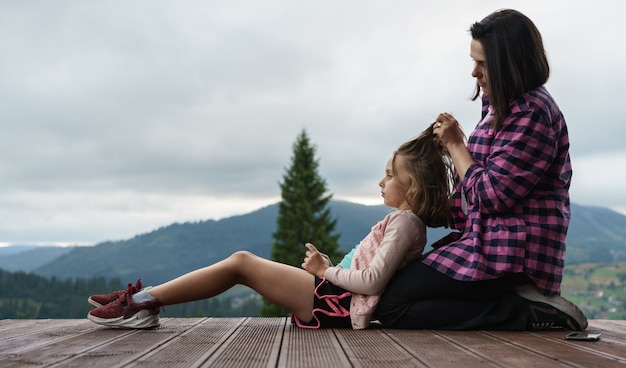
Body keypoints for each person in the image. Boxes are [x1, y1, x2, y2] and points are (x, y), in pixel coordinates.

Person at [86, 126, 454, 329]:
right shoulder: (404, 221)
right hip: (330, 294)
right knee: (240, 263)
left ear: (413, 187)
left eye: (390, 176)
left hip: (334, 301)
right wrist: (329, 267)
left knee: (241, 263)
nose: (381, 182)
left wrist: (327, 270)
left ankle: (140, 303)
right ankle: (144, 298)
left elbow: (372, 280)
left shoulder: (406, 222)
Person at [374, 9, 588, 331]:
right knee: (393, 290)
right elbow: (474, 197)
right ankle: (511, 304)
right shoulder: (498, 109)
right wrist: (428, 208)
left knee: (392, 304)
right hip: (486, 245)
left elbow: (490, 196)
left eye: (484, 63)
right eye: (473, 60)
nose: (474, 72)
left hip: (511, 255)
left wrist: (457, 146)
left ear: (511, 63)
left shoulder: (531, 114)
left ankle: (521, 310)